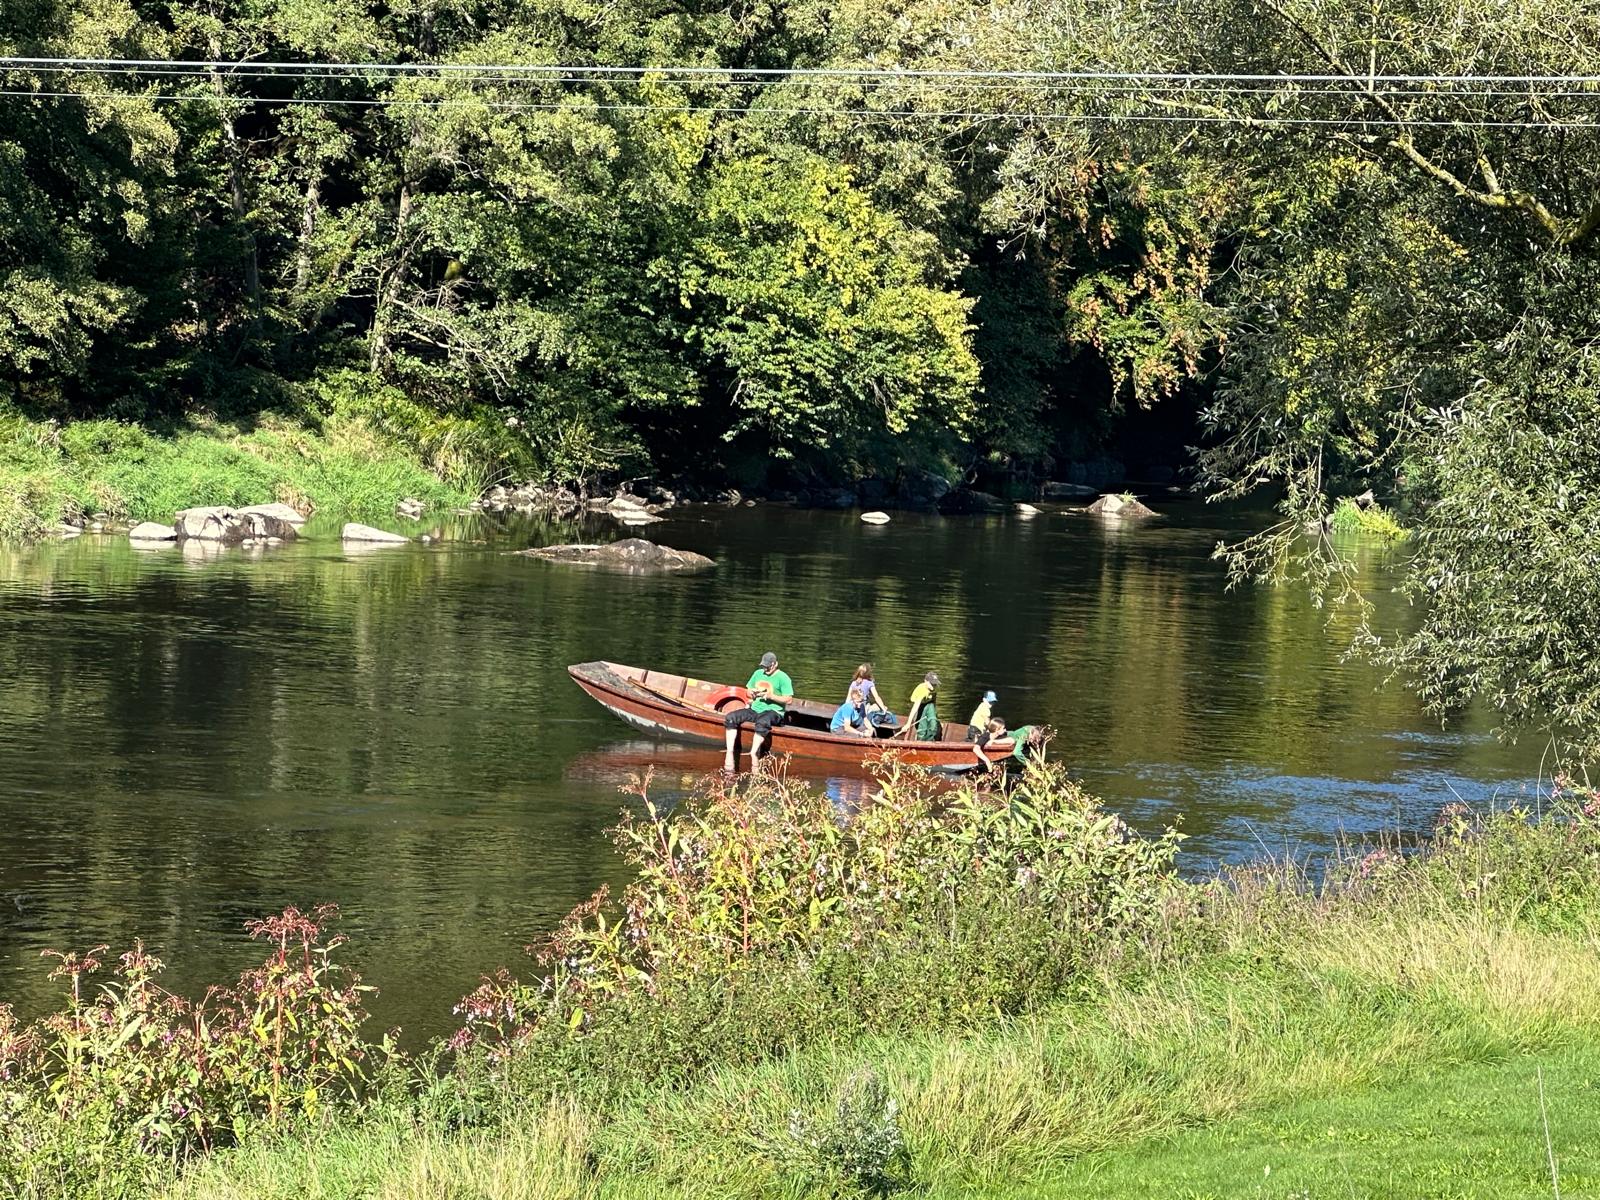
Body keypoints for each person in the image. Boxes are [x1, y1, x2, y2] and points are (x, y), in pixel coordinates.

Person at [723, 651, 794, 772]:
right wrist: (751, 693)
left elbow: (789, 699)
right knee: (731, 717)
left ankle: (753, 753)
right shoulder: (757, 673)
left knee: (762, 722)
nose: (765, 669)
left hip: (774, 712)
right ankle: (729, 752)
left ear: (775, 664)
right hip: (755, 709)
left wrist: (771, 696)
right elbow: (747, 691)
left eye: (768, 667)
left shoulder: (783, 678)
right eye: (764, 666)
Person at [831, 663, 888, 738]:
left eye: (861, 701)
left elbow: (865, 720)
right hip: (838, 729)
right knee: (858, 736)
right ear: (853, 700)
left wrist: (870, 729)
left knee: (869, 730)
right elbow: (847, 727)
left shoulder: (861, 705)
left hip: (849, 724)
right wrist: (861, 734)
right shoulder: (848, 707)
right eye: (858, 702)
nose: (860, 704)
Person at [895, 671, 941, 741]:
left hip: (929, 704)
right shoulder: (922, 690)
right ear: (925, 681)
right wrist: (908, 724)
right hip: (920, 706)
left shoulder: (935, 687)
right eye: (931, 684)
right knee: (922, 728)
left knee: (933, 725)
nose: (933, 686)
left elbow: (934, 698)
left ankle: (930, 741)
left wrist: (934, 713)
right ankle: (921, 740)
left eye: (934, 684)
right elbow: (915, 708)